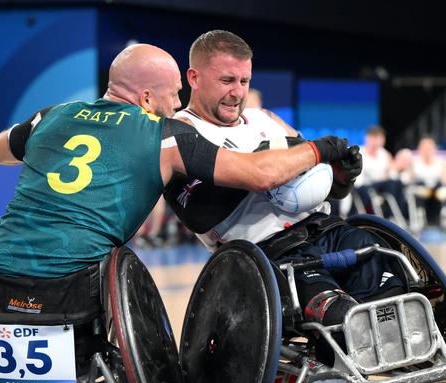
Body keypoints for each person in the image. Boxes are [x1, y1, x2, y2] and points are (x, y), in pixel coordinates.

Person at [0, 43, 351, 282]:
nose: (176, 104)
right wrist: (323, 149)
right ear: (144, 98)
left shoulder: (53, 115)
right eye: (173, 95)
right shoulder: (165, 133)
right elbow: (259, 173)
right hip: (78, 277)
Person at [163, 31, 403, 364]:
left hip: (324, 228)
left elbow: (314, 178)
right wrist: (299, 156)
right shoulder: (177, 135)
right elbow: (223, 199)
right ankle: (329, 368)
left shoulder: (265, 119)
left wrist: (340, 177)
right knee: (337, 313)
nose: (238, 92)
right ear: (194, 77)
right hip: (266, 253)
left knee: (392, 286)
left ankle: (410, 350)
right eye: (227, 80)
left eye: (244, 80)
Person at [356, 126, 409, 219]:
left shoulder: (384, 154)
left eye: (380, 138)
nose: (377, 142)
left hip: (380, 184)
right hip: (364, 186)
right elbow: (358, 178)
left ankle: (395, 215)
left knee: (397, 183)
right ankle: (387, 216)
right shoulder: (360, 152)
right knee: (389, 184)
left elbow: (391, 173)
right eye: (375, 138)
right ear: (368, 138)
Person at [412, 136, 446, 226]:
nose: (427, 151)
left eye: (429, 148)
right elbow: (409, 179)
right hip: (421, 190)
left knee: (442, 189)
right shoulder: (414, 163)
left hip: (436, 191)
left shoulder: (441, 162)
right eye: (425, 148)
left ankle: (443, 216)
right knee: (421, 187)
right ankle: (421, 217)